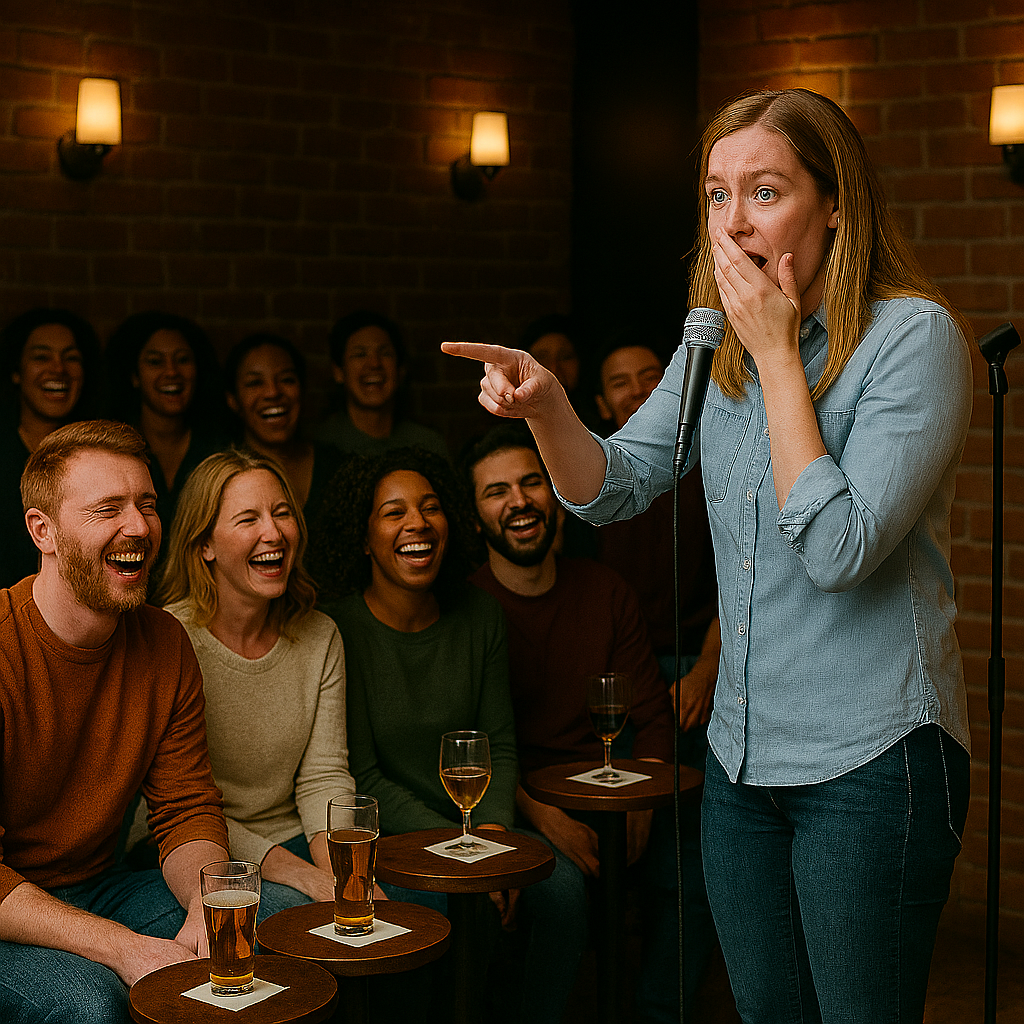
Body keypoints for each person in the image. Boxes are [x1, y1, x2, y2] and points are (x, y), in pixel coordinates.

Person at [443, 87, 973, 1024]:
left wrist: (776, 355)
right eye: (716, 197)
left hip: (872, 760)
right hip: (739, 762)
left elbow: (841, 547)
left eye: (764, 192)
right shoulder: (709, 347)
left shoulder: (912, 339)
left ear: (835, 201)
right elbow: (611, 486)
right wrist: (547, 407)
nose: (733, 223)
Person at [312, 446, 585, 1024]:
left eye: (430, 507)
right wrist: (468, 860)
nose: (417, 522)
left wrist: (489, 837)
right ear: (363, 540)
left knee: (563, 893)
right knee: (446, 907)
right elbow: (363, 776)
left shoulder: (480, 615)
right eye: (394, 512)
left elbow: (499, 745)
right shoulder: (339, 629)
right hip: (401, 841)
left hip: (481, 827)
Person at [0, 420, 229, 1024]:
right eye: (109, 509)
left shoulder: (164, 641)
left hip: (100, 887)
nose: (139, 527)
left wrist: (210, 904)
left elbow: (185, 807)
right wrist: (122, 948)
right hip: (8, 911)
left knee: (262, 919)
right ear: (42, 531)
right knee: (95, 1004)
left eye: (147, 504)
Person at [462, 426, 684, 1023]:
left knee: (694, 867)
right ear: (475, 514)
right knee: (559, 894)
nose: (519, 501)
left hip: (613, 793)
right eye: (496, 491)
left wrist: (641, 804)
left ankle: (656, 1015)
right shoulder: (467, 608)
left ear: (556, 491)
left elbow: (653, 718)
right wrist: (542, 814)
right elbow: (469, 745)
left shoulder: (604, 590)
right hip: (521, 802)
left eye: (532, 482)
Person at [147, 447, 355, 919]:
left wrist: (343, 878)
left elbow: (324, 776)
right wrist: (305, 878)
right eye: (248, 519)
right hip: (194, 850)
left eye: (282, 513)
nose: (273, 533)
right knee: (287, 913)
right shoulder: (167, 640)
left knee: (399, 905)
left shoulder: (320, 636)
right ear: (205, 545)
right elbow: (178, 809)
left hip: (296, 836)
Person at [0, 307, 101, 589]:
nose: (58, 368)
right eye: (41, 357)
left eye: (71, 358)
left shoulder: (102, 458)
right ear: (16, 371)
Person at [103, 310, 230, 534]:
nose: (171, 371)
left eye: (183, 360)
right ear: (134, 376)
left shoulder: (221, 447)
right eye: (155, 362)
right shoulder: (110, 451)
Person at [224, 332, 349, 527]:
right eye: (255, 382)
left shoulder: (339, 469)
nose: (273, 392)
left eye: (286, 379)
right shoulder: (219, 477)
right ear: (232, 400)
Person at [314, 310, 448, 459]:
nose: (374, 364)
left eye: (385, 353)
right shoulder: (319, 446)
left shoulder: (427, 444)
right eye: (360, 354)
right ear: (338, 371)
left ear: (400, 369)